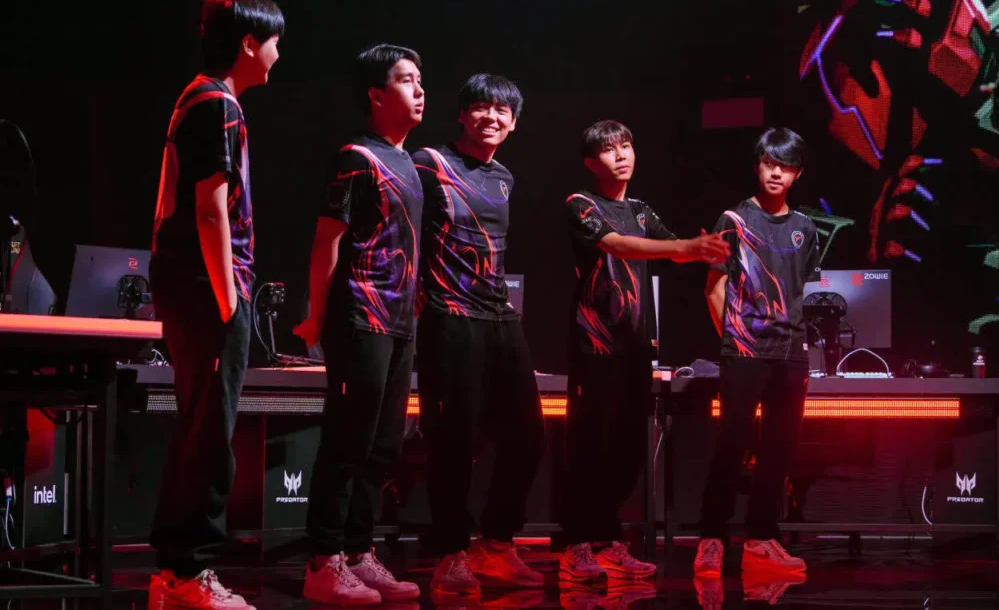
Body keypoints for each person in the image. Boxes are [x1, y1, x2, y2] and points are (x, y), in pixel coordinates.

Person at [148, 0, 284, 610]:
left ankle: (174, 572)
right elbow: (208, 208)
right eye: (274, 42)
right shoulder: (217, 103)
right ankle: (189, 574)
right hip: (208, 288)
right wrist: (229, 299)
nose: (278, 54)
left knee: (198, 430)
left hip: (193, 285)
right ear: (249, 44)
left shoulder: (198, 97)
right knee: (209, 437)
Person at [559, 120, 731, 583]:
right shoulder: (581, 203)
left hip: (635, 345)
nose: (621, 155)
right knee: (589, 445)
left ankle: (607, 541)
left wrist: (706, 251)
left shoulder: (640, 210)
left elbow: (672, 250)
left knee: (626, 450)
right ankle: (577, 545)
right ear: (590, 162)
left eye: (626, 146)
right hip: (595, 343)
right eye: (609, 149)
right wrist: (683, 246)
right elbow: (618, 246)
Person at [293, 44, 424, 604]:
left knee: (383, 445)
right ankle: (323, 562)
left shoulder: (410, 164)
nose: (419, 89)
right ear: (376, 94)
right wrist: (316, 317)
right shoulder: (356, 157)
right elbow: (327, 240)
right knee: (348, 441)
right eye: (406, 80)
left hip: (400, 323)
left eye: (421, 79)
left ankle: (358, 552)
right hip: (360, 315)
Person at [412, 74, 545, 596]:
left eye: (502, 111)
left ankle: (496, 544)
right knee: (453, 439)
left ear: (513, 124)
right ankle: (450, 553)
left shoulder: (504, 177)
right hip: (448, 314)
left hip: (498, 315)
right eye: (482, 107)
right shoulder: (429, 164)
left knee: (529, 435)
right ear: (462, 114)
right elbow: (404, 230)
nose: (492, 117)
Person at [693, 127, 820, 579]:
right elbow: (714, 287)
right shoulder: (733, 219)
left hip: (791, 355)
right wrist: (736, 337)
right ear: (757, 166)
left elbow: (799, 290)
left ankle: (762, 541)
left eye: (786, 166)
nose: (776, 173)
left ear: (797, 173)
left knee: (778, 452)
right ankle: (711, 539)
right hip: (744, 353)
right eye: (769, 163)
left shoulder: (806, 228)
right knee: (731, 446)